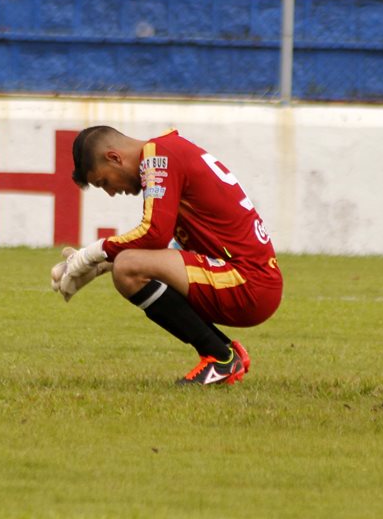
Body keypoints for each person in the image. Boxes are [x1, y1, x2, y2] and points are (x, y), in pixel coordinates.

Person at [52, 126, 283, 386]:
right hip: (249, 277)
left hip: (248, 282)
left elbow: (154, 234)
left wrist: (90, 255)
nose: (111, 192)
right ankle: (224, 353)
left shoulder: (158, 155)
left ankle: (220, 358)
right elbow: (170, 246)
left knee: (128, 268)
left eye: (104, 182)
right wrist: (101, 265)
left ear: (114, 158)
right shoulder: (169, 149)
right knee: (126, 264)